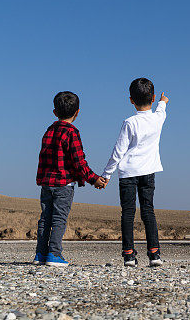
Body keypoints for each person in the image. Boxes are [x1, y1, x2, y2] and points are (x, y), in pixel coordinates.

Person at [101, 77, 168, 267]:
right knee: (148, 211)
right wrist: (163, 101)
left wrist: (106, 174)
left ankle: (129, 255)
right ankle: (154, 254)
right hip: (149, 171)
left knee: (128, 213)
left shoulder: (129, 122)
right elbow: (161, 110)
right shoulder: (157, 118)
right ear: (153, 97)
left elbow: (118, 150)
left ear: (131, 100)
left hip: (128, 173)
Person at [35, 91, 106, 267]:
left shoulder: (48, 131)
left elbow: (42, 157)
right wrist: (94, 179)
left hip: (46, 183)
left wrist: (41, 178)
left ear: (54, 112)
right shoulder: (72, 133)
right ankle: (54, 254)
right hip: (63, 184)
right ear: (77, 112)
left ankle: (40, 254)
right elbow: (79, 162)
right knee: (59, 218)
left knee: (45, 218)